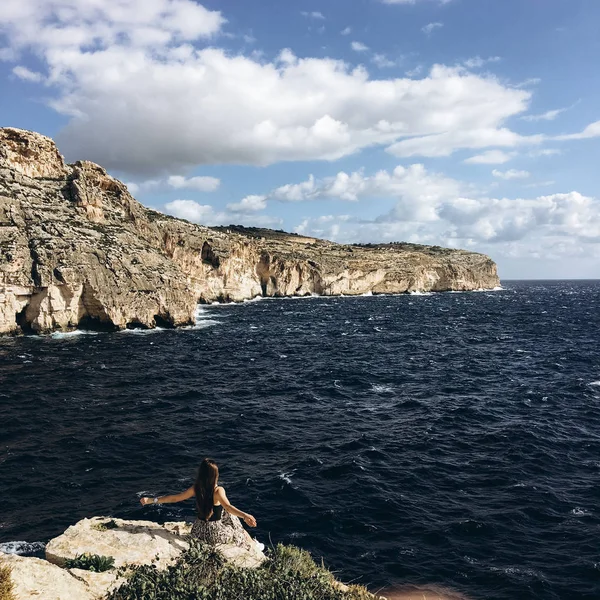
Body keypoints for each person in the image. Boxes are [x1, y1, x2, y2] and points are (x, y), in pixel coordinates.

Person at [140, 458, 257, 548]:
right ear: (215, 475)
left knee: (226, 514)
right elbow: (228, 506)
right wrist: (245, 515)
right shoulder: (218, 490)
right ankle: (253, 544)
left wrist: (152, 500)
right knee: (233, 518)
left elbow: (175, 498)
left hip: (198, 530)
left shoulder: (196, 488)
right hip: (215, 535)